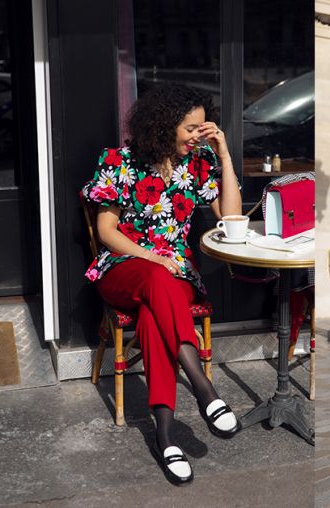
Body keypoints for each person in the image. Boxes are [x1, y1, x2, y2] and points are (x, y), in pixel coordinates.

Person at [81, 83, 242, 484]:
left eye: (203, 128)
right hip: (125, 267)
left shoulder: (200, 164)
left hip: (175, 279)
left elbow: (232, 220)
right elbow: (106, 230)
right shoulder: (119, 161)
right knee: (157, 280)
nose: (197, 135)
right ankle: (204, 388)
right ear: (165, 124)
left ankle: (166, 436)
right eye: (191, 128)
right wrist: (155, 258)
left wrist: (224, 156)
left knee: (155, 316)